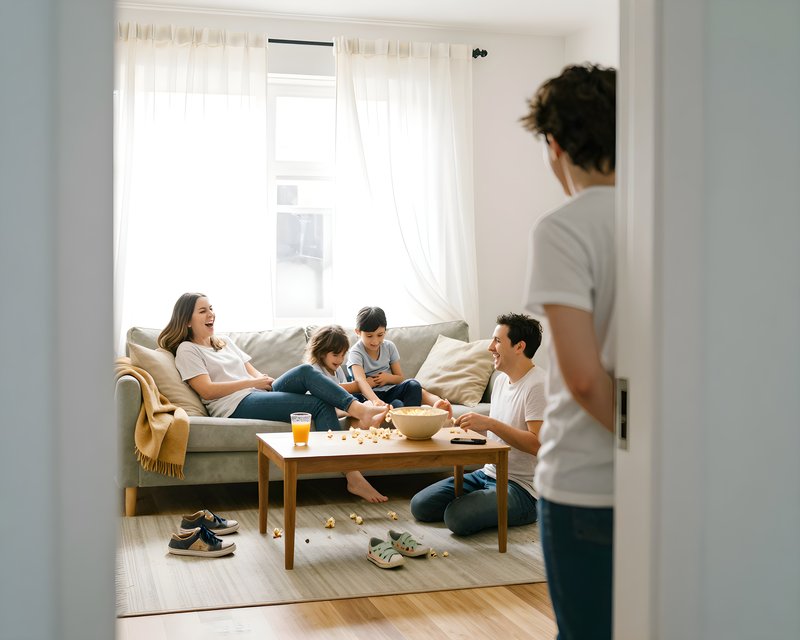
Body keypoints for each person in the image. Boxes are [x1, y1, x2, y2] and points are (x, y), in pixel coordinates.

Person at [520, 63, 617, 640]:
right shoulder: (670, 218)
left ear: (554, 145)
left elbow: (581, 378)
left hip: (583, 480)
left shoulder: (561, 228)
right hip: (668, 483)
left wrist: (639, 445)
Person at [158, 293, 389, 502]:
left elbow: (251, 370)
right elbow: (207, 390)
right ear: (187, 320)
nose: (211, 314)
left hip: (257, 393)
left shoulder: (224, 342)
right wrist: (253, 383)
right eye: (203, 311)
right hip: (235, 404)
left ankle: (358, 410)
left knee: (306, 371)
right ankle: (353, 474)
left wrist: (264, 381)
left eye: (211, 308)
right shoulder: (188, 350)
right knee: (319, 404)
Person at [409, 313, 546, 536]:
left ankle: (521, 511)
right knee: (420, 505)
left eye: (498, 341)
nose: (491, 347)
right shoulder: (502, 380)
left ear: (519, 346)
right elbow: (496, 434)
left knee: (456, 517)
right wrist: (455, 422)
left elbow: (537, 445)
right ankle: (482, 504)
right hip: (488, 474)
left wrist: (490, 423)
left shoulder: (538, 385)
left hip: (523, 489)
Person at [346, 306, 452, 415]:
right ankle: (400, 412)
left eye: (380, 335)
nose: (375, 341)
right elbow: (360, 380)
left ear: (385, 331)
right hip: (368, 396)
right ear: (358, 332)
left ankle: (412, 416)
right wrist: (376, 401)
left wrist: (387, 378)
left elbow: (400, 378)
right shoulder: (356, 352)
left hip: (390, 391)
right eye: (369, 336)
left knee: (413, 385)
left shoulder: (389, 347)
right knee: (397, 405)